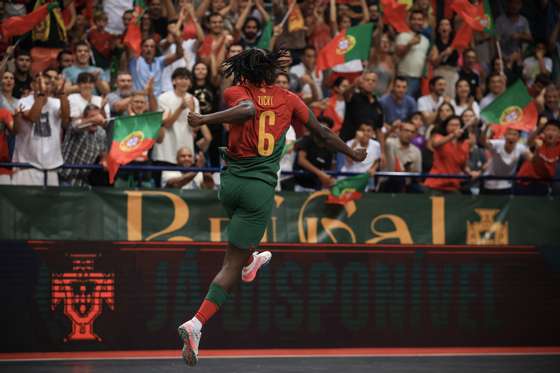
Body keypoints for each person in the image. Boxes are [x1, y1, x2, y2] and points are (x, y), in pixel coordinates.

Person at [178, 48, 366, 367]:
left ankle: (252, 260)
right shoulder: (289, 99)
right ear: (270, 70)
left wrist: (203, 119)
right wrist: (352, 153)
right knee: (230, 266)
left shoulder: (234, 90)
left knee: (243, 247)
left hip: (231, 185)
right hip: (259, 188)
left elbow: (247, 106)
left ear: (243, 71)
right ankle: (196, 324)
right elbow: (320, 134)